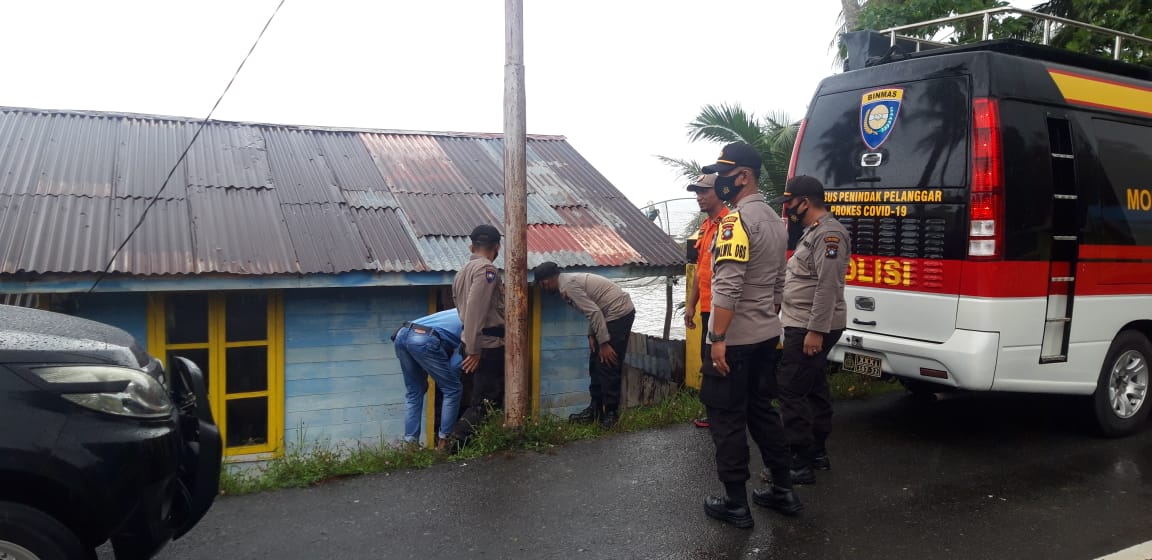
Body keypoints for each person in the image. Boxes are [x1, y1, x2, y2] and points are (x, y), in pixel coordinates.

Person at [697, 142, 801, 529]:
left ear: (744, 176)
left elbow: (727, 286)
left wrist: (719, 337)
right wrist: (765, 317)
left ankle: (735, 503)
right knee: (762, 411)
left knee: (726, 417)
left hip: (734, 340)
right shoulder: (776, 220)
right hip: (764, 335)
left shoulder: (734, 222)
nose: (720, 181)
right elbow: (779, 282)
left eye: (726, 174)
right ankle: (783, 489)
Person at [772, 175, 851, 483]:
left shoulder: (829, 235)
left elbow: (827, 286)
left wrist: (815, 331)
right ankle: (817, 452)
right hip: (803, 323)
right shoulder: (813, 232)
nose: (788, 209)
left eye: (790, 203)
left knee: (791, 389)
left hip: (810, 326)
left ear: (805, 202)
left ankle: (799, 462)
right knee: (813, 385)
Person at [533, 261, 635, 429]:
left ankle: (611, 413)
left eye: (543, 283)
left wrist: (604, 343)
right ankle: (595, 409)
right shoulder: (565, 284)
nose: (543, 287)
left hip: (619, 313)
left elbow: (594, 311)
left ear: (551, 278)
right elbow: (593, 308)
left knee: (607, 364)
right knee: (594, 364)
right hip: (607, 314)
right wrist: (591, 334)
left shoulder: (567, 286)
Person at [447, 224, 506, 447]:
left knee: (478, 398)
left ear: (471, 246)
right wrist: (474, 349)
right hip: (486, 346)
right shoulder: (486, 270)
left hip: (474, 344)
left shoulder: (461, 273)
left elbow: (461, 310)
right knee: (486, 401)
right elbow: (474, 311)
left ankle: (470, 444)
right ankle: (456, 445)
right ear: (497, 247)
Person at [683, 174, 729, 430]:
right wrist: (691, 305)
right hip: (705, 307)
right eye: (697, 192)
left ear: (720, 191)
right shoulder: (707, 226)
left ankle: (720, 415)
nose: (699, 197)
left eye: (704, 191)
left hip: (721, 307)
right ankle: (715, 412)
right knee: (707, 360)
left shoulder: (729, 223)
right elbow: (701, 269)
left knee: (717, 361)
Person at [392, 308, 464, 450]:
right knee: (453, 389)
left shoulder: (459, 309)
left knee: (414, 391)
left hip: (401, 334)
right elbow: (455, 366)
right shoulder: (477, 322)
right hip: (423, 338)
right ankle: (444, 443)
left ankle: (410, 446)